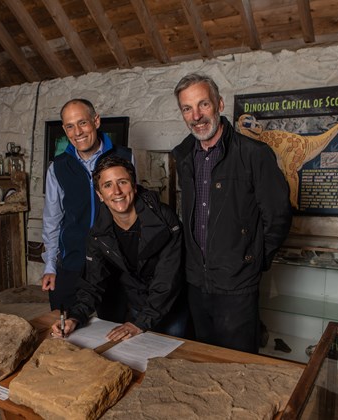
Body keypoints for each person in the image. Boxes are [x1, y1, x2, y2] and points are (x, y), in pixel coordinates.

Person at [171, 73, 293, 353]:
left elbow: (279, 216)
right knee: (202, 361)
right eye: (187, 108)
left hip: (237, 285)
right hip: (196, 284)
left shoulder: (253, 154)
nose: (197, 116)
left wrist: (252, 260)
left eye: (203, 105)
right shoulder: (184, 156)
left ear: (220, 104)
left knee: (239, 367)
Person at [50, 155, 187, 340]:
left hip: (171, 307)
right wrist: (75, 317)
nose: (117, 191)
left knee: (176, 357)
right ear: (99, 195)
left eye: (122, 182)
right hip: (138, 305)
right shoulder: (98, 232)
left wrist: (141, 322)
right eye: (107, 185)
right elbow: (92, 283)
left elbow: (168, 280)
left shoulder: (165, 220)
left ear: (134, 186)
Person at [41, 99, 133, 312]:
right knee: (64, 329)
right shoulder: (57, 167)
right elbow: (52, 220)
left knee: (113, 335)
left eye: (82, 123)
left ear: (96, 121)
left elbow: (135, 211)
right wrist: (50, 266)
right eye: (70, 126)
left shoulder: (125, 157)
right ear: (64, 129)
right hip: (72, 263)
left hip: (114, 265)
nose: (78, 132)